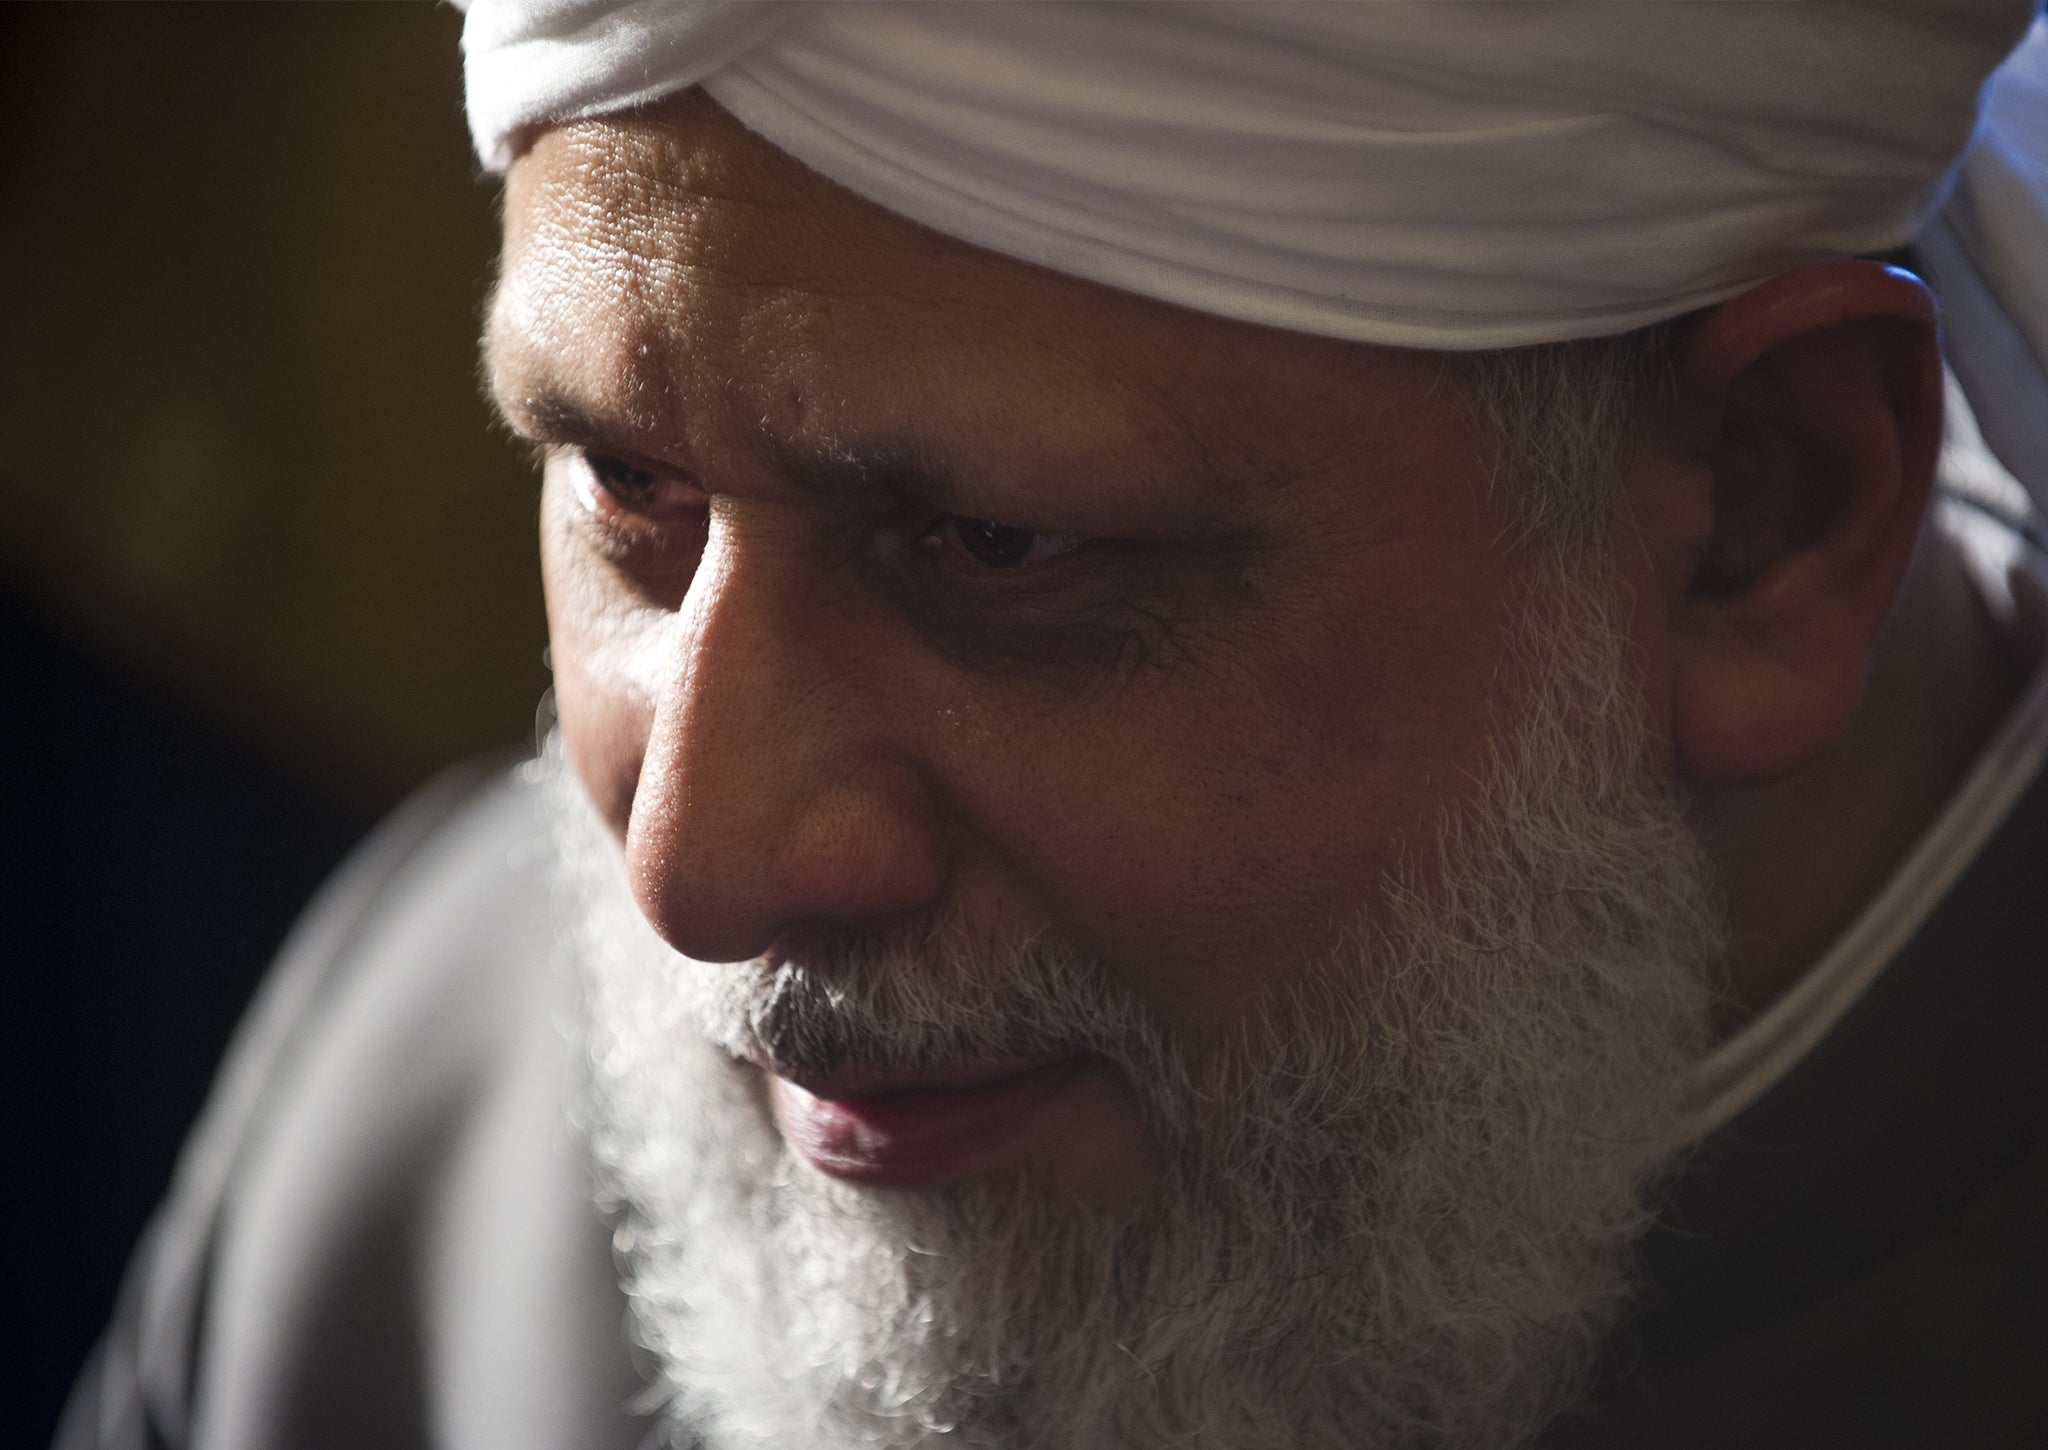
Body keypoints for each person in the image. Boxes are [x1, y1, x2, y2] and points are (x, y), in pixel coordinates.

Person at [58, 4, 2048, 1448]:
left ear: (1766, 518)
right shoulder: (427, 1102)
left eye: (993, 542)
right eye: (625, 490)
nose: (697, 868)